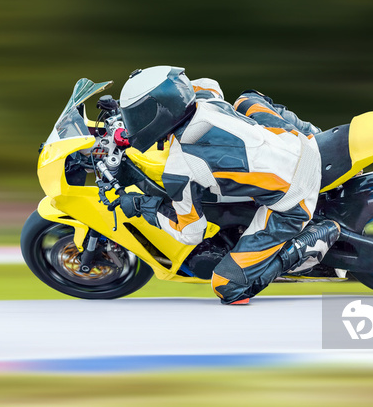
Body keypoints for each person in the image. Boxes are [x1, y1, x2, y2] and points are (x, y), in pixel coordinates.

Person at [113, 65, 340, 305]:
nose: (134, 122)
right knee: (247, 99)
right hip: (299, 142)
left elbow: (191, 232)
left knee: (227, 287)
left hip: (296, 196)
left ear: (157, 112)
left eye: (137, 115)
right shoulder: (206, 99)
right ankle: (314, 131)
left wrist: (143, 207)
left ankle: (312, 241)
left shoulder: (180, 168)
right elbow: (207, 83)